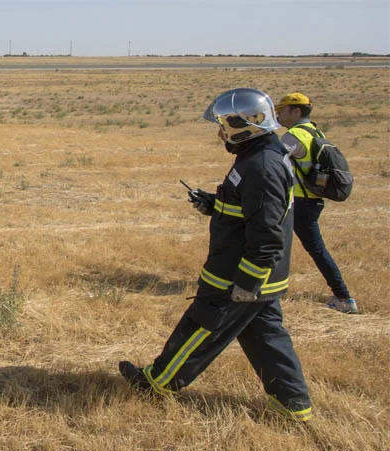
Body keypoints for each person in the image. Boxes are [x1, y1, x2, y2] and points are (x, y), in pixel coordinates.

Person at [119, 88, 312, 422]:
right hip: (260, 279)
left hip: (238, 276)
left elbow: (268, 234)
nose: (221, 131)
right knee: (268, 340)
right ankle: (294, 406)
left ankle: (158, 383)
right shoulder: (260, 155)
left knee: (201, 327)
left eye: (227, 124)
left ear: (247, 124)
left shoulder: (262, 165)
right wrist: (212, 203)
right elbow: (248, 211)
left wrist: (247, 282)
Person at [275, 92, 358, 314]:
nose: (278, 115)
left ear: (296, 111)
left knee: (311, 249)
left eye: (282, 110)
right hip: (311, 201)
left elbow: (272, 163)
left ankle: (344, 297)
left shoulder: (293, 136)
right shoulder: (315, 131)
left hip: (299, 203)